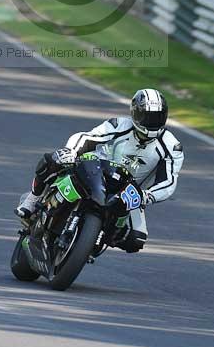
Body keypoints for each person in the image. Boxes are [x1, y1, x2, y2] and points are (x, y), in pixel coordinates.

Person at [15, 88, 184, 253]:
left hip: (130, 191)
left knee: (135, 239)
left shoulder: (172, 146)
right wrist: (71, 151)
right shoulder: (119, 125)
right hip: (97, 170)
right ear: (135, 113)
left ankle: (96, 240)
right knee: (51, 160)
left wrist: (147, 196)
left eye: (157, 117)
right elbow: (87, 137)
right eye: (146, 116)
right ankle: (32, 199)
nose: (151, 122)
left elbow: (168, 181)